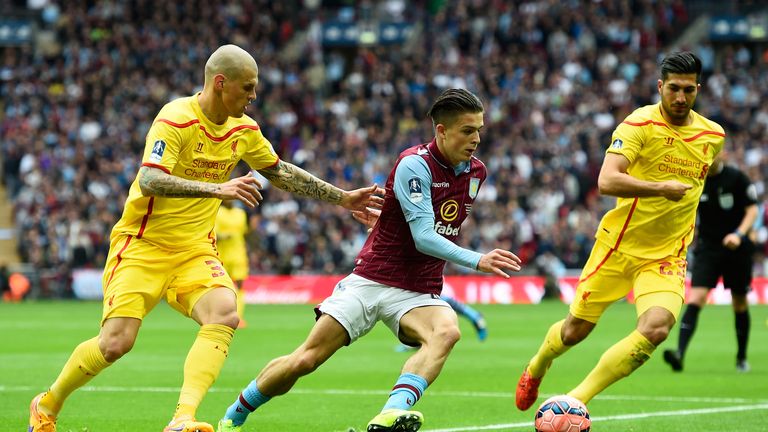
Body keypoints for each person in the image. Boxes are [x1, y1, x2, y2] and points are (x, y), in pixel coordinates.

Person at [28, 44, 384, 432]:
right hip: (142, 244)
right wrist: (216, 189)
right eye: (247, 88)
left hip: (195, 249)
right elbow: (149, 179)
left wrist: (342, 197)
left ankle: (182, 418)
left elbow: (279, 170)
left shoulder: (244, 130)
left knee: (225, 314)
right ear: (220, 83)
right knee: (116, 343)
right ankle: (47, 404)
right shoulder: (176, 118)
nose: (253, 96)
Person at [216, 88, 522, 432]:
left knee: (447, 331)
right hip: (372, 278)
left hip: (417, 289)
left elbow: (429, 222)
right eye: (468, 130)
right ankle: (234, 415)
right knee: (306, 359)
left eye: (479, 129)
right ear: (442, 131)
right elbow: (424, 236)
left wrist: (389, 220)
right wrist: (478, 260)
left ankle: (390, 413)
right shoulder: (414, 164)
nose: (477, 138)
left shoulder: (476, 173)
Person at [515, 51, 726, 411]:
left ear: (698, 90)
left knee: (657, 329)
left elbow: (714, 168)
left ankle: (573, 401)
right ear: (660, 86)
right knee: (573, 332)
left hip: (666, 254)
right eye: (673, 88)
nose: (680, 98)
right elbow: (607, 180)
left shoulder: (712, 134)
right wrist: (662, 188)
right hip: (618, 248)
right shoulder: (638, 125)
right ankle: (537, 365)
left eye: (688, 90)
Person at [663, 153, 758, 373]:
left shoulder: (737, 178)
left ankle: (741, 357)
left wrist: (739, 234)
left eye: (713, 154)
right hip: (709, 248)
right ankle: (679, 353)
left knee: (739, 302)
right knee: (696, 298)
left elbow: (752, 210)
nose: (709, 159)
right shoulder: (696, 181)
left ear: (722, 153)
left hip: (737, 248)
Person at [215, 199, 250, 328]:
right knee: (223, 286)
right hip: (222, 254)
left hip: (238, 254)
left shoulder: (241, 213)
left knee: (240, 285)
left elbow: (244, 232)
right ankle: (221, 316)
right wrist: (223, 236)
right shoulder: (219, 213)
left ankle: (238, 317)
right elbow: (215, 233)